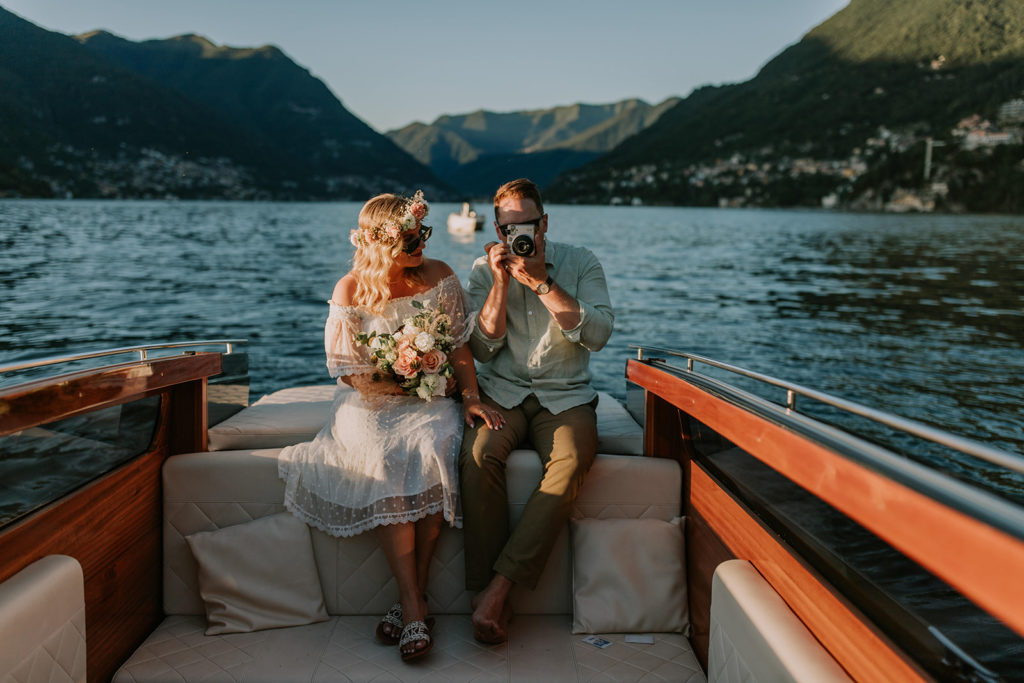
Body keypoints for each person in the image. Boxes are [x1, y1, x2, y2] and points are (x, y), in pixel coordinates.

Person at [277, 191, 502, 662]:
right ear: (379, 241)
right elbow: (345, 369)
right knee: (382, 453)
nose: (420, 242)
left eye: (423, 232)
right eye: (409, 237)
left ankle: (410, 604)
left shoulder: (440, 276)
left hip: (433, 399)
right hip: (369, 401)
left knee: (434, 441)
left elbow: (459, 346)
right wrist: (402, 373)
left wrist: (471, 397)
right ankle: (415, 601)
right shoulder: (350, 289)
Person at [460, 178, 614, 643]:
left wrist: (545, 283)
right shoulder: (483, 269)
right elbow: (483, 350)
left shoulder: (581, 261)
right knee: (478, 455)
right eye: (508, 227)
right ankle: (483, 590)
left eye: (526, 224)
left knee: (569, 462)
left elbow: (599, 335)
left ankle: (496, 590)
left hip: (564, 396)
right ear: (497, 228)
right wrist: (502, 284)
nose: (518, 234)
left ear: (543, 222)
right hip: (502, 393)